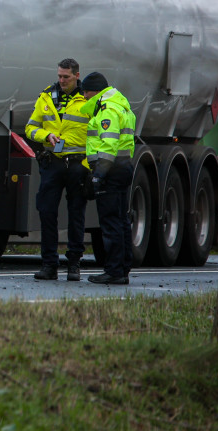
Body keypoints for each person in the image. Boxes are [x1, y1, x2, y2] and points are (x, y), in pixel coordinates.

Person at [24, 58, 90, 281]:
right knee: (47, 212)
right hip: (52, 162)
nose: (61, 80)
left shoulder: (88, 100)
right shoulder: (46, 96)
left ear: (77, 76)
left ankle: (74, 264)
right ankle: (49, 264)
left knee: (76, 215)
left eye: (66, 77)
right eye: (59, 76)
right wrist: (46, 136)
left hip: (78, 164)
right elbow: (30, 128)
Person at [79, 71, 137, 285]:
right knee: (122, 222)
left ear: (93, 91)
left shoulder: (107, 109)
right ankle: (122, 270)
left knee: (111, 222)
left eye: (85, 92)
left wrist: (98, 175)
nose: (84, 96)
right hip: (122, 168)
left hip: (110, 171)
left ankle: (114, 271)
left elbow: (108, 145)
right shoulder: (121, 105)